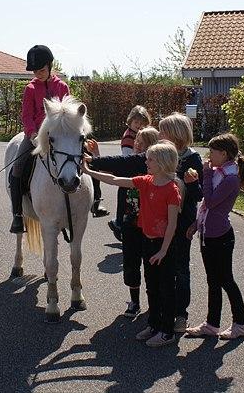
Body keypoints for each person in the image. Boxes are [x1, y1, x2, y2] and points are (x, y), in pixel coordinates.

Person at [85, 141, 183, 347]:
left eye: (150, 159)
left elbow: (172, 225)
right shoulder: (146, 181)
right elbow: (114, 179)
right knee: (152, 287)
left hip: (163, 247)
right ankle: (153, 324)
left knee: (166, 289)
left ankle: (167, 332)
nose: (145, 161)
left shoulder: (172, 190)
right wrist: (88, 170)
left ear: (163, 163)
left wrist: (163, 251)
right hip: (148, 243)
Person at [86, 127, 160, 318]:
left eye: (140, 142)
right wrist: (96, 156)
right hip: (131, 222)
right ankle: (137, 302)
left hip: (148, 225)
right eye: (136, 142)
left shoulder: (145, 162)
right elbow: (113, 170)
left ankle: (146, 304)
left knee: (144, 266)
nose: (136, 145)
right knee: (133, 264)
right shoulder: (139, 161)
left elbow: (119, 164)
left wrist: (93, 159)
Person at [185, 133, 244, 340]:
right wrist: (196, 224)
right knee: (212, 281)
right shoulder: (218, 172)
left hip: (221, 236)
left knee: (226, 280)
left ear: (223, 154)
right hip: (208, 234)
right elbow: (206, 206)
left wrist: (204, 174)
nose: (209, 155)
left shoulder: (230, 178)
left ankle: (240, 324)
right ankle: (212, 324)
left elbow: (211, 201)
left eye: (212, 151)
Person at [9, 45, 70, 233]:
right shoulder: (30, 88)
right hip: (35, 135)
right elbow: (26, 115)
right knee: (17, 169)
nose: (38, 74)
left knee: (85, 156)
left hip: (59, 135)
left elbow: (68, 113)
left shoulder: (62, 86)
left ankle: (96, 201)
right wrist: (32, 134)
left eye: (41, 70)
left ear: (50, 66)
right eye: (35, 71)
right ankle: (17, 215)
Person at [158, 113, 204, 333]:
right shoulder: (162, 155)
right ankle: (162, 307)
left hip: (182, 223)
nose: (159, 135)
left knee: (180, 268)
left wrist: (192, 184)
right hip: (159, 222)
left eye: (163, 131)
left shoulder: (192, 159)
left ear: (175, 135)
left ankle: (180, 314)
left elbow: (198, 195)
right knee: (161, 266)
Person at [107, 105, 153, 240]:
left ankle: (121, 222)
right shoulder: (128, 137)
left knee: (129, 201)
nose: (139, 125)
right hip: (129, 173)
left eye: (142, 123)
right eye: (136, 122)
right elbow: (128, 158)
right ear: (130, 121)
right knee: (125, 200)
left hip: (135, 173)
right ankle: (120, 223)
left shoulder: (138, 135)